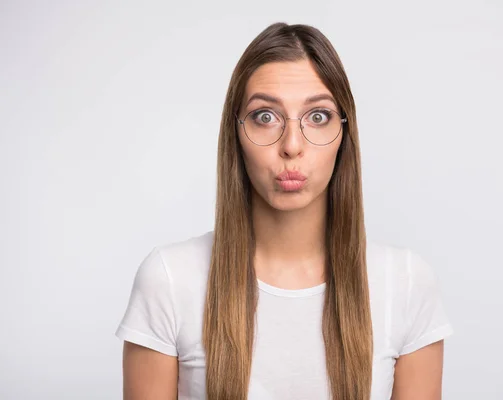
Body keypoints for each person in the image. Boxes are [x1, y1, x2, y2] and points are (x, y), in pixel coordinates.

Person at [115, 22, 454, 400]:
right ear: (236, 134)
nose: (292, 146)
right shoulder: (169, 281)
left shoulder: (406, 283)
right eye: (265, 116)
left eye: (318, 116)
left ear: (344, 134)